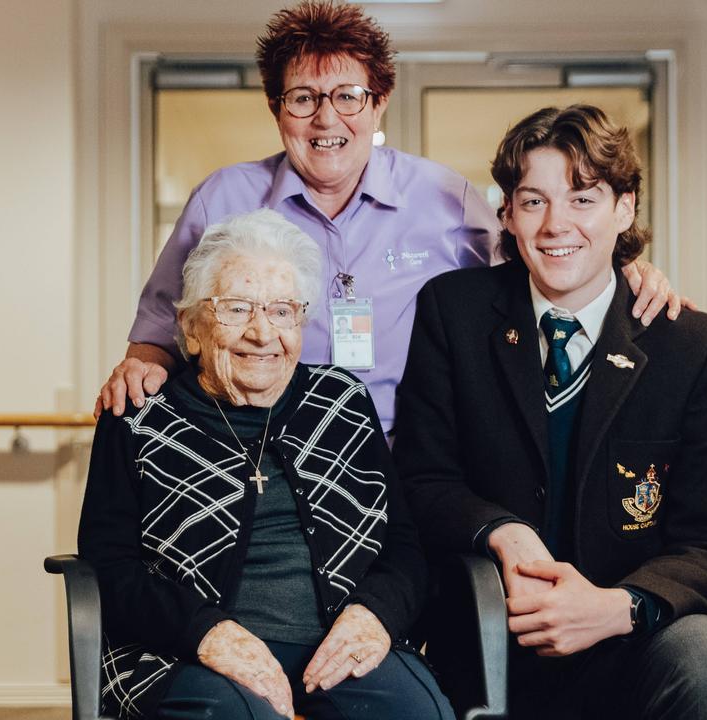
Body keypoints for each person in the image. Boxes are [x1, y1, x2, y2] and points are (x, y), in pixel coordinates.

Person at [95, 0, 685, 430]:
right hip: (257, 452)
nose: (327, 120)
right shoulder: (219, 201)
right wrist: (139, 368)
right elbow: (157, 335)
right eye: (304, 98)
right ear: (277, 108)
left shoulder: (445, 199)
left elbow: (546, 262)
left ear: (379, 103)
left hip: (410, 464)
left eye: (348, 96)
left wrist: (627, 269)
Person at [395, 105, 707, 719]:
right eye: (533, 201)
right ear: (509, 216)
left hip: (640, 636)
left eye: (583, 199)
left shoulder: (691, 345)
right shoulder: (452, 314)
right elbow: (421, 479)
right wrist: (500, 532)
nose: (555, 225)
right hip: (497, 632)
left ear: (625, 208)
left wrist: (614, 607)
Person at [79, 209, 453, 720]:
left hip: (338, 643)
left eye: (282, 311)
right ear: (190, 329)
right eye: (235, 309)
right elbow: (109, 565)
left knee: (412, 712)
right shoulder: (138, 417)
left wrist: (374, 615)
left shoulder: (341, 400)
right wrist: (206, 633)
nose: (262, 333)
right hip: (183, 652)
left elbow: (403, 542)